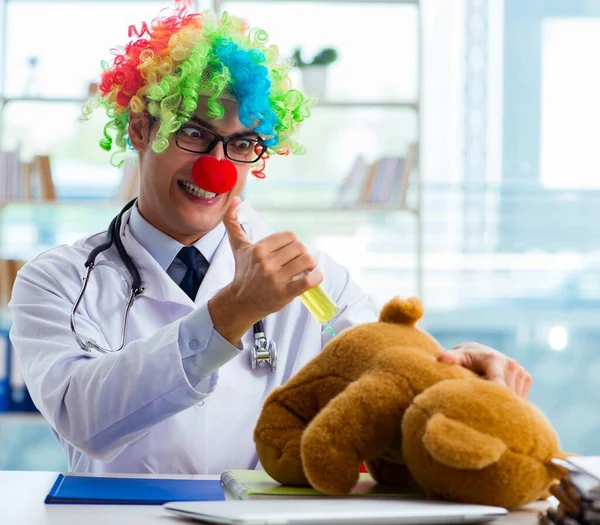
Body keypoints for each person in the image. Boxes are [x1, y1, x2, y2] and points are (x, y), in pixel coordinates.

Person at [8, 3, 531, 475]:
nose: (215, 167)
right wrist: (231, 312)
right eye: (194, 133)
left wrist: (455, 373)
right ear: (142, 129)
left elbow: (383, 366)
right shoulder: (55, 281)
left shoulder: (310, 277)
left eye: (242, 143)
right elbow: (83, 416)